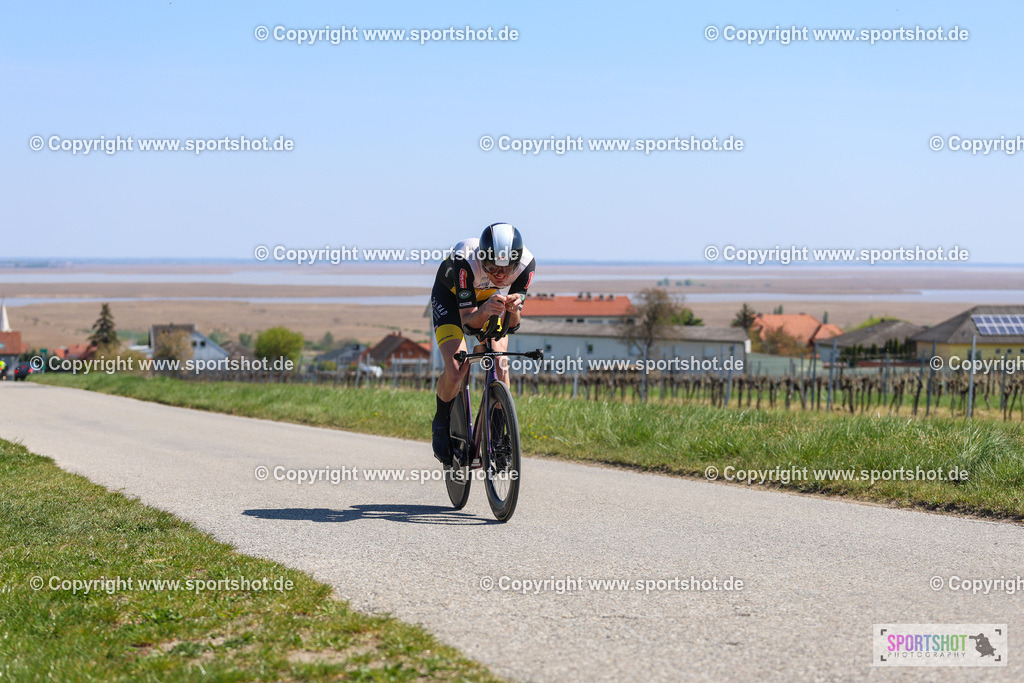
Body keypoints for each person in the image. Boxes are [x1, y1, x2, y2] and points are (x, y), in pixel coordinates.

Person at [430, 223, 535, 466]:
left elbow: (513, 325)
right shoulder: (465, 258)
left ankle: (498, 436)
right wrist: (486, 310)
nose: (499, 275)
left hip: (489, 299)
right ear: (482, 257)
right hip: (451, 297)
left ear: (516, 261)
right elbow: (468, 323)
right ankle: (441, 422)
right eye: (492, 268)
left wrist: (514, 309)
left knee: (500, 360)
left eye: (506, 269)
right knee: (457, 368)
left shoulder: (527, 264)